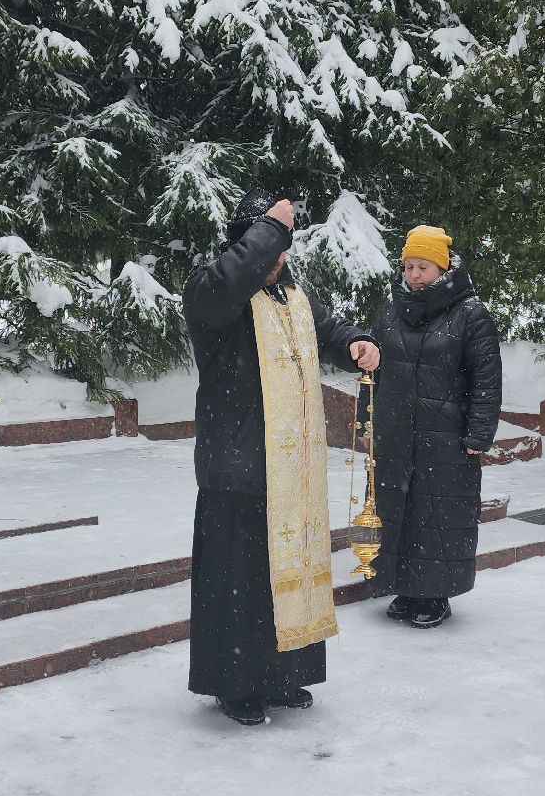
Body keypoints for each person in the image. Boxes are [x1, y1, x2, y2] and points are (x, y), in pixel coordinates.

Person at [183, 188, 380, 724]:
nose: (280, 261)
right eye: (270, 249)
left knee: (284, 576)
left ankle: (281, 674)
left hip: (290, 468)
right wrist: (273, 226)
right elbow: (233, 276)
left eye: (284, 251)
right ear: (249, 241)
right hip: (237, 464)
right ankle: (235, 683)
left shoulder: (292, 297)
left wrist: (355, 342)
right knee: (239, 581)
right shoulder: (211, 291)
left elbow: (327, 330)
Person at [368, 226, 503, 630]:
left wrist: (479, 434)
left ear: (441, 268)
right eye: (408, 266)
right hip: (395, 432)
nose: (413, 274)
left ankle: (435, 595)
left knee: (438, 515)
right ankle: (405, 589)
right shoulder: (390, 309)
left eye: (422, 266)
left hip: (447, 436)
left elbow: (486, 379)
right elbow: (372, 370)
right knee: (401, 512)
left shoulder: (470, 313)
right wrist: (367, 420)